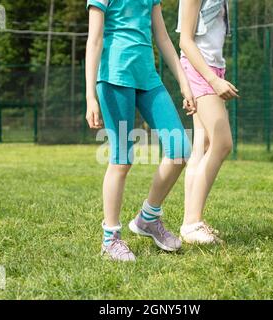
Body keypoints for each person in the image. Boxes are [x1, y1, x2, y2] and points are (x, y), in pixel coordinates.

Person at [85, 0, 196, 261]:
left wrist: (184, 83)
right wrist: (91, 96)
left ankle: (148, 218)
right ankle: (110, 239)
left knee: (180, 148)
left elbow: (163, 39)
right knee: (122, 160)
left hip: (148, 79)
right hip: (114, 78)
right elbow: (94, 40)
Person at [178, 0, 239, 244]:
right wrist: (213, 80)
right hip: (200, 69)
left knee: (202, 147)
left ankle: (189, 223)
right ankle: (193, 222)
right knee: (222, 143)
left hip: (212, 67)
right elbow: (185, 39)